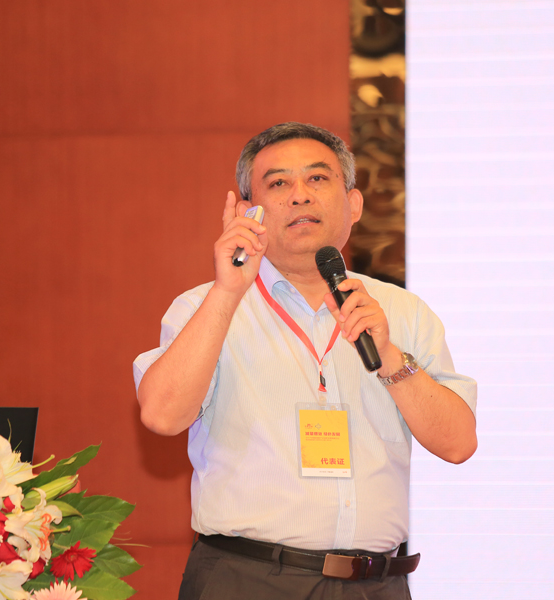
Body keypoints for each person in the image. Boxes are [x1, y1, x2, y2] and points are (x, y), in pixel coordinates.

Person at [133, 122, 477, 599]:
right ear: (248, 212)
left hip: (376, 585)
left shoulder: (403, 311)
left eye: (318, 178)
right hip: (248, 580)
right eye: (278, 183)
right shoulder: (204, 308)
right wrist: (229, 290)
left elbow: (458, 443)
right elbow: (161, 415)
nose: (299, 195)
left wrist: (390, 358)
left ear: (353, 204)